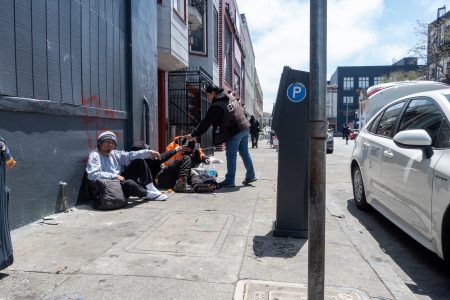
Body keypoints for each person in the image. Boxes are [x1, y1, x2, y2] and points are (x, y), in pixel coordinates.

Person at [186, 84, 256, 188]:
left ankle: (230, 180)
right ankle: (251, 175)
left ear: (213, 93)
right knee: (244, 152)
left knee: (231, 155)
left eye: (208, 95)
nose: (208, 98)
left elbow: (205, 122)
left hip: (234, 131)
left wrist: (193, 134)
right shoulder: (230, 97)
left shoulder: (216, 106)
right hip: (245, 127)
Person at [86, 131, 167, 201]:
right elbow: (93, 175)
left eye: (113, 143)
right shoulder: (95, 155)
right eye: (107, 141)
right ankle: (148, 194)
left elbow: (130, 155)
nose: (110, 144)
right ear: (100, 142)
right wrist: (114, 176)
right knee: (130, 184)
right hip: (107, 186)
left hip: (119, 180)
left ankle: (151, 187)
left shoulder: (114, 153)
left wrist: (149, 152)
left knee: (139, 161)